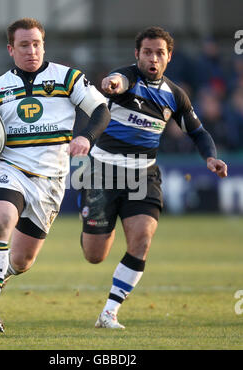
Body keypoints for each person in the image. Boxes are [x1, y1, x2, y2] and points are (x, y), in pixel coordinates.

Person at [0, 18, 110, 336]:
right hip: (9, 170)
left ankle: (0, 274)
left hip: (50, 181)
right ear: (11, 49)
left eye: (37, 44)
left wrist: (86, 138)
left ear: (44, 45)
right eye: (24, 45)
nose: (31, 51)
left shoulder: (67, 78)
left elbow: (101, 110)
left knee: (23, 260)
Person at [78, 27, 228, 329]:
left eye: (160, 53)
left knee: (142, 239)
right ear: (137, 54)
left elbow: (197, 131)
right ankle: (96, 227)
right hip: (103, 171)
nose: (153, 58)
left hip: (144, 174)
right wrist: (112, 82)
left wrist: (210, 157)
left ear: (169, 57)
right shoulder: (126, 77)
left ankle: (109, 312)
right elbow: (118, 81)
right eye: (147, 52)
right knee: (95, 255)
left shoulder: (175, 95)